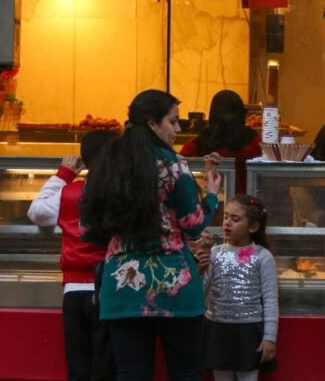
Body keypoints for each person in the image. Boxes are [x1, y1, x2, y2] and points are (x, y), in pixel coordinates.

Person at [80, 89, 222, 381]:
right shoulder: (173, 165)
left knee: (131, 373)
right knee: (185, 373)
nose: (178, 129)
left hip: (122, 287)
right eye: (173, 121)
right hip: (176, 286)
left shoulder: (106, 163)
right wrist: (211, 197)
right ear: (152, 123)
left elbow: (87, 228)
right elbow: (193, 224)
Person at [28, 130, 118, 381]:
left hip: (74, 291)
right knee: (105, 370)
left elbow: (36, 211)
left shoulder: (68, 193)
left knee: (78, 369)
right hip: (109, 289)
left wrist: (63, 175)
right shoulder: (122, 193)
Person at [203, 194, 279, 381]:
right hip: (217, 329)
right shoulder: (215, 253)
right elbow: (200, 292)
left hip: (249, 331)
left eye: (235, 219)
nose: (227, 222)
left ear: (253, 227)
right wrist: (199, 269)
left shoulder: (263, 256)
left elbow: (270, 299)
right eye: (226, 216)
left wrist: (270, 337)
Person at [181, 90, 260, 194]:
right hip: (246, 207)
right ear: (242, 114)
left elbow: (178, 177)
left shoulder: (195, 146)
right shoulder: (256, 144)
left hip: (207, 206)